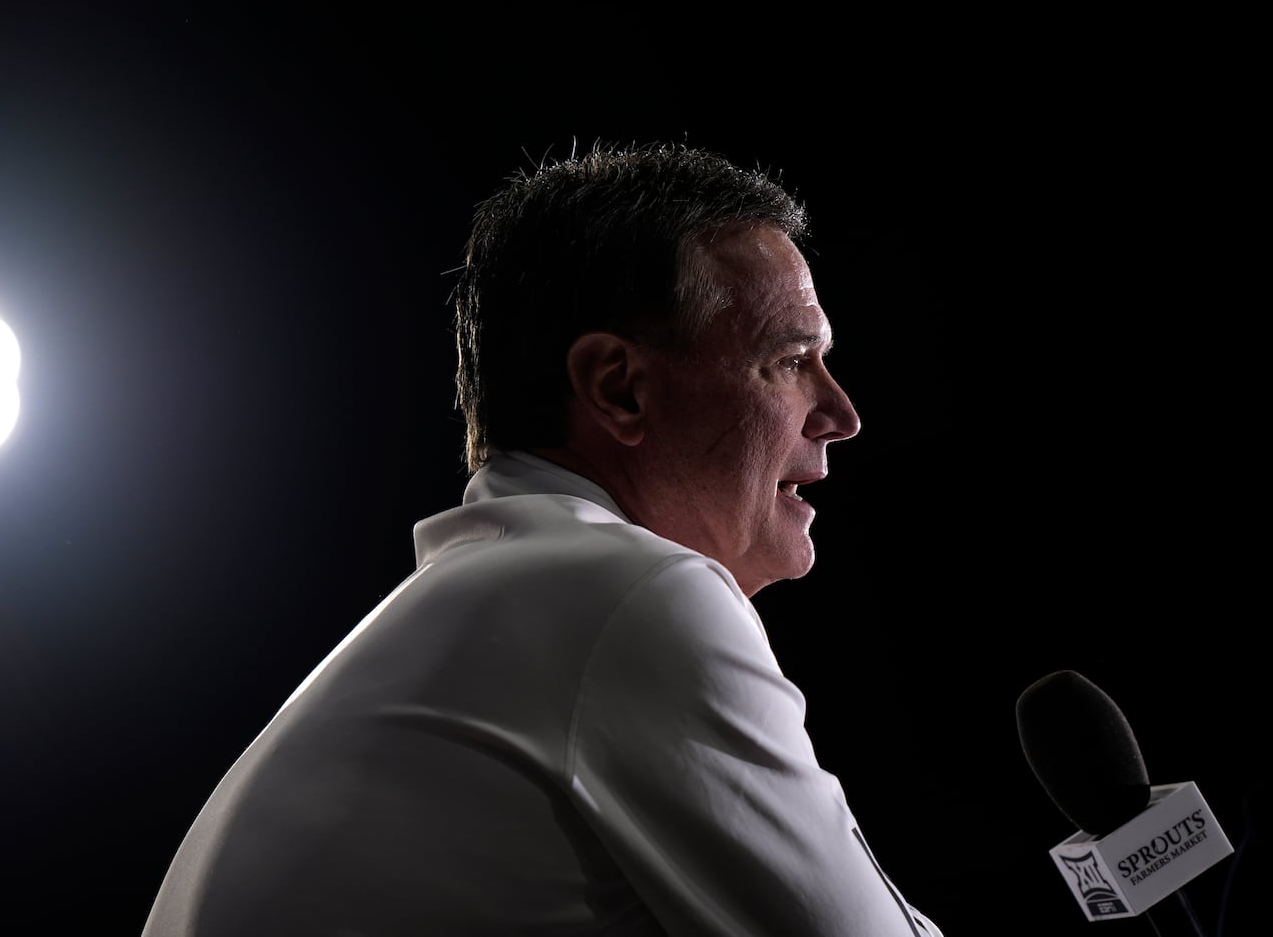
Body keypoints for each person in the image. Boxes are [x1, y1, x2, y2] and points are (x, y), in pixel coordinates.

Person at [142, 142, 944, 935]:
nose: (842, 414)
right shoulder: (629, 595)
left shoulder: (499, 601)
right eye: (791, 359)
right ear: (618, 389)